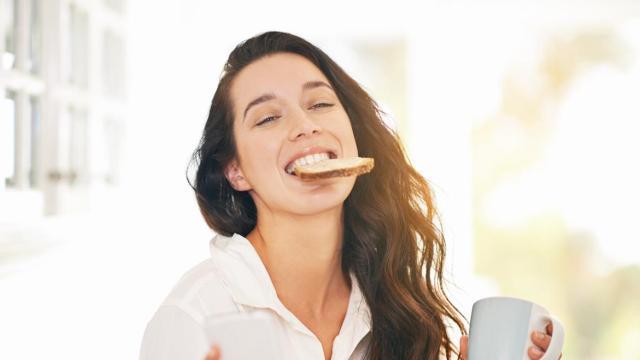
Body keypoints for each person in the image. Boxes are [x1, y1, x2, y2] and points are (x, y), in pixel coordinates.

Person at [139, 31, 560, 360]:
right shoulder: (195, 318)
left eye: (320, 104)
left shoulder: (391, 299)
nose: (305, 125)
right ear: (235, 170)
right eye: (268, 117)